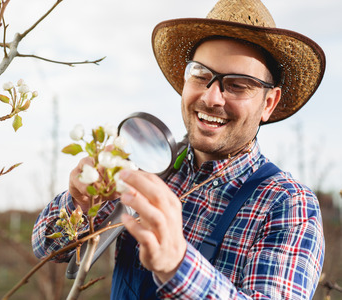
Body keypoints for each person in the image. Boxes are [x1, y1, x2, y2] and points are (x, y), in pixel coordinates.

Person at [32, 0, 325, 298]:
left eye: (237, 85)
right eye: (200, 75)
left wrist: (177, 265)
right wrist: (80, 203)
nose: (212, 98)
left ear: (268, 103)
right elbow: (48, 249)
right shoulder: (148, 166)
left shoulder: (289, 205)